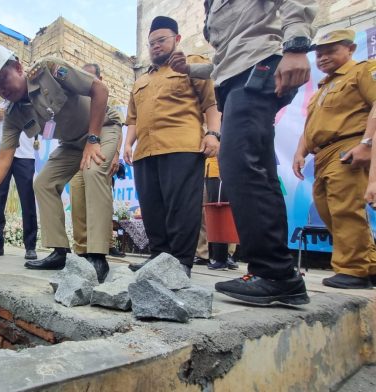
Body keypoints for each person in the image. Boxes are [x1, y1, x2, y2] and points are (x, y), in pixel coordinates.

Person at [0, 43, 121, 283]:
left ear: (19, 67)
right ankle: (59, 252)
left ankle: (97, 255)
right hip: (72, 144)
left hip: (101, 129)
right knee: (43, 182)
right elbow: (3, 158)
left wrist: (93, 138)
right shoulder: (12, 114)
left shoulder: (50, 70)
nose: (1, 89)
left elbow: (100, 89)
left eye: (3, 79)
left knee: (92, 171)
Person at [189, 0, 318, 305]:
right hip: (238, 77)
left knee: (238, 163)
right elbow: (232, 50)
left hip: (259, 67)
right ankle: (278, 273)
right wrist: (191, 68)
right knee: (255, 167)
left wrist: (296, 46)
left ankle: (274, 273)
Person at [124, 16, 221, 277]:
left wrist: (213, 134)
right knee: (152, 209)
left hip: (182, 147)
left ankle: (180, 264)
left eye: (162, 40)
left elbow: (211, 104)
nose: (156, 46)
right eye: (152, 42)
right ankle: (158, 259)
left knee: (182, 208)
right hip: (146, 151)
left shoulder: (192, 65)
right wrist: (127, 144)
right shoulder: (141, 81)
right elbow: (132, 118)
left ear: (177, 39)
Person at [294, 29, 376, 289]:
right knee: (326, 208)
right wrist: (300, 151)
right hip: (323, 153)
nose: (323, 58)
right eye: (319, 54)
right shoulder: (322, 87)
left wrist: (367, 143)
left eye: (331, 51)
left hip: (349, 145)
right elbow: (312, 125)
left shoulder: (362, 71)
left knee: (345, 208)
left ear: (350, 49)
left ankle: (354, 270)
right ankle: (369, 265)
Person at [69, 63, 123, 258]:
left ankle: (105, 244)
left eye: (90, 77)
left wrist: (116, 155)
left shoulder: (109, 101)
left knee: (100, 197)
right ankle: (82, 248)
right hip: (79, 152)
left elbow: (117, 129)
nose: (86, 81)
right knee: (77, 194)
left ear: (100, 79)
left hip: (102, 150)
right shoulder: (77, 101)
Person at [0, 100, 38, 260]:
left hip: (24, 156)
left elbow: (39, 130)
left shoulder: (30, 105)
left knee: (27, 200)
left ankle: (30, 246)